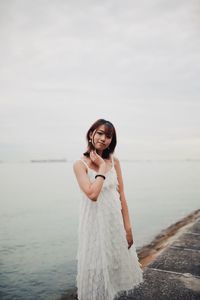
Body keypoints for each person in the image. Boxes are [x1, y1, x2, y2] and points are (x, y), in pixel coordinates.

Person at [73, 118, 143, 300]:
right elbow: (92, 194)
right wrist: (102, 168)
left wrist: (128, 228)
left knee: (115, 270)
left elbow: (122, 196)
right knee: (96, 268)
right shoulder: (80, 164)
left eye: (108, 136)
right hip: (94, 226)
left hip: (114, 224)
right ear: (91, 134)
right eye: (100, 133)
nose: (104, 139)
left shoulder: (115, 161)